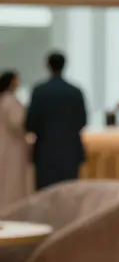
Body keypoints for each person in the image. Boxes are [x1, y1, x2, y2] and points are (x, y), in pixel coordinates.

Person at [25, 52, 88, 191]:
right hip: (70, 149)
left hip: (45, 150)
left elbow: (31, 123)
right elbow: (82, 121)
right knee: (69, 192)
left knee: (45, 194)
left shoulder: (39, 91)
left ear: (48, 66)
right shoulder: (75, 91)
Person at [0, 71, 30, 209]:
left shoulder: (4, 99)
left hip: (7, 145)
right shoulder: (10, 101)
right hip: (13, 147)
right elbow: (17, 123)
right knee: (12, 181)